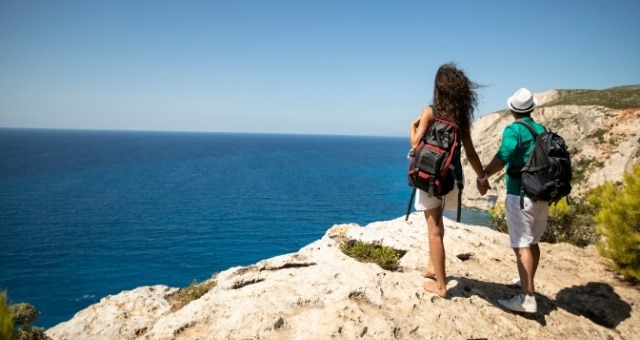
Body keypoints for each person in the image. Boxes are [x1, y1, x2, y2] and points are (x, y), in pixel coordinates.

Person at [410, 63, 488, 298]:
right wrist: (482, 178)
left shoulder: (430, 111)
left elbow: (415, 143)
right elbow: (472, 153)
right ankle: (433, 266)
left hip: (430, 178)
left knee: (434, 230)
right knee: (439, 225)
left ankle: (441, 286)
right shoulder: (461, 118)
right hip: (450, 178)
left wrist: (411, 126)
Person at [479, 87, 547, 313]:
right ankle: (526, 281)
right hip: (540, 195)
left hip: (520, 195)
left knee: (521, 246)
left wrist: (484, 175)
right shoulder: (541, 129)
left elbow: (503, 155)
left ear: (512, 109)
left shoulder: (513, 130)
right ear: (532, 108)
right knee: (533, 242)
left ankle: (527, 298)